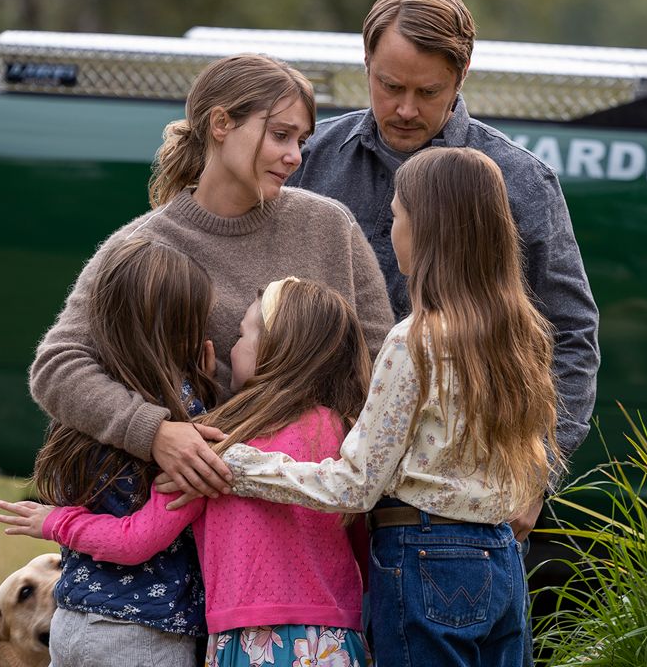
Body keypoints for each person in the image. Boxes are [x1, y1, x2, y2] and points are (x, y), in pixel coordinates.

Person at [209, 147, 561, 666]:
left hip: (424, 557)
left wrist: (236, 464)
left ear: (427, 229)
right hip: (501, 559)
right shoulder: (519, 335)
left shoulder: (412, 341)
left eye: (396, 216)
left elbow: (356, 484)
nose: (392, 230)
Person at [289, 0, 599, 536]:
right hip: (315, 483)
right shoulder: (307, 163)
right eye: (389, 86)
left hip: (460, 514)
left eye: (428, 91)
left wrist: (537, 472)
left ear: (462, 75)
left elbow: (570, 335)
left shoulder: (520, 181)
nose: (405, 109)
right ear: (366, 63)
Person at [28, 54, 394, 505]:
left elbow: (382, 370)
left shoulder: (330, 227)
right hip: (193, 518)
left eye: (301, 140)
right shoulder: (143, 246)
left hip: (321, 512)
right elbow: (57, 366)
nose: (295, 157)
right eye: (280, 135)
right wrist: (154, 432)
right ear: (221, 123)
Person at [2, 277, 374, 667]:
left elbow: (136, 540)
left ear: (273, 350)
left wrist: (56, 522)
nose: (231, 347)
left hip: (249, 647)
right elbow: (363, 548)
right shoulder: (342, 433)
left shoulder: (213, 450)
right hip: (332, 643)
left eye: (242, 336)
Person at [4, 237, 220, 665]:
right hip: (144, 637)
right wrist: (202, 400)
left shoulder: (84, 410)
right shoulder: (184, 427)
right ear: (182, 331)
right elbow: (139, 540)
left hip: (70, 624)